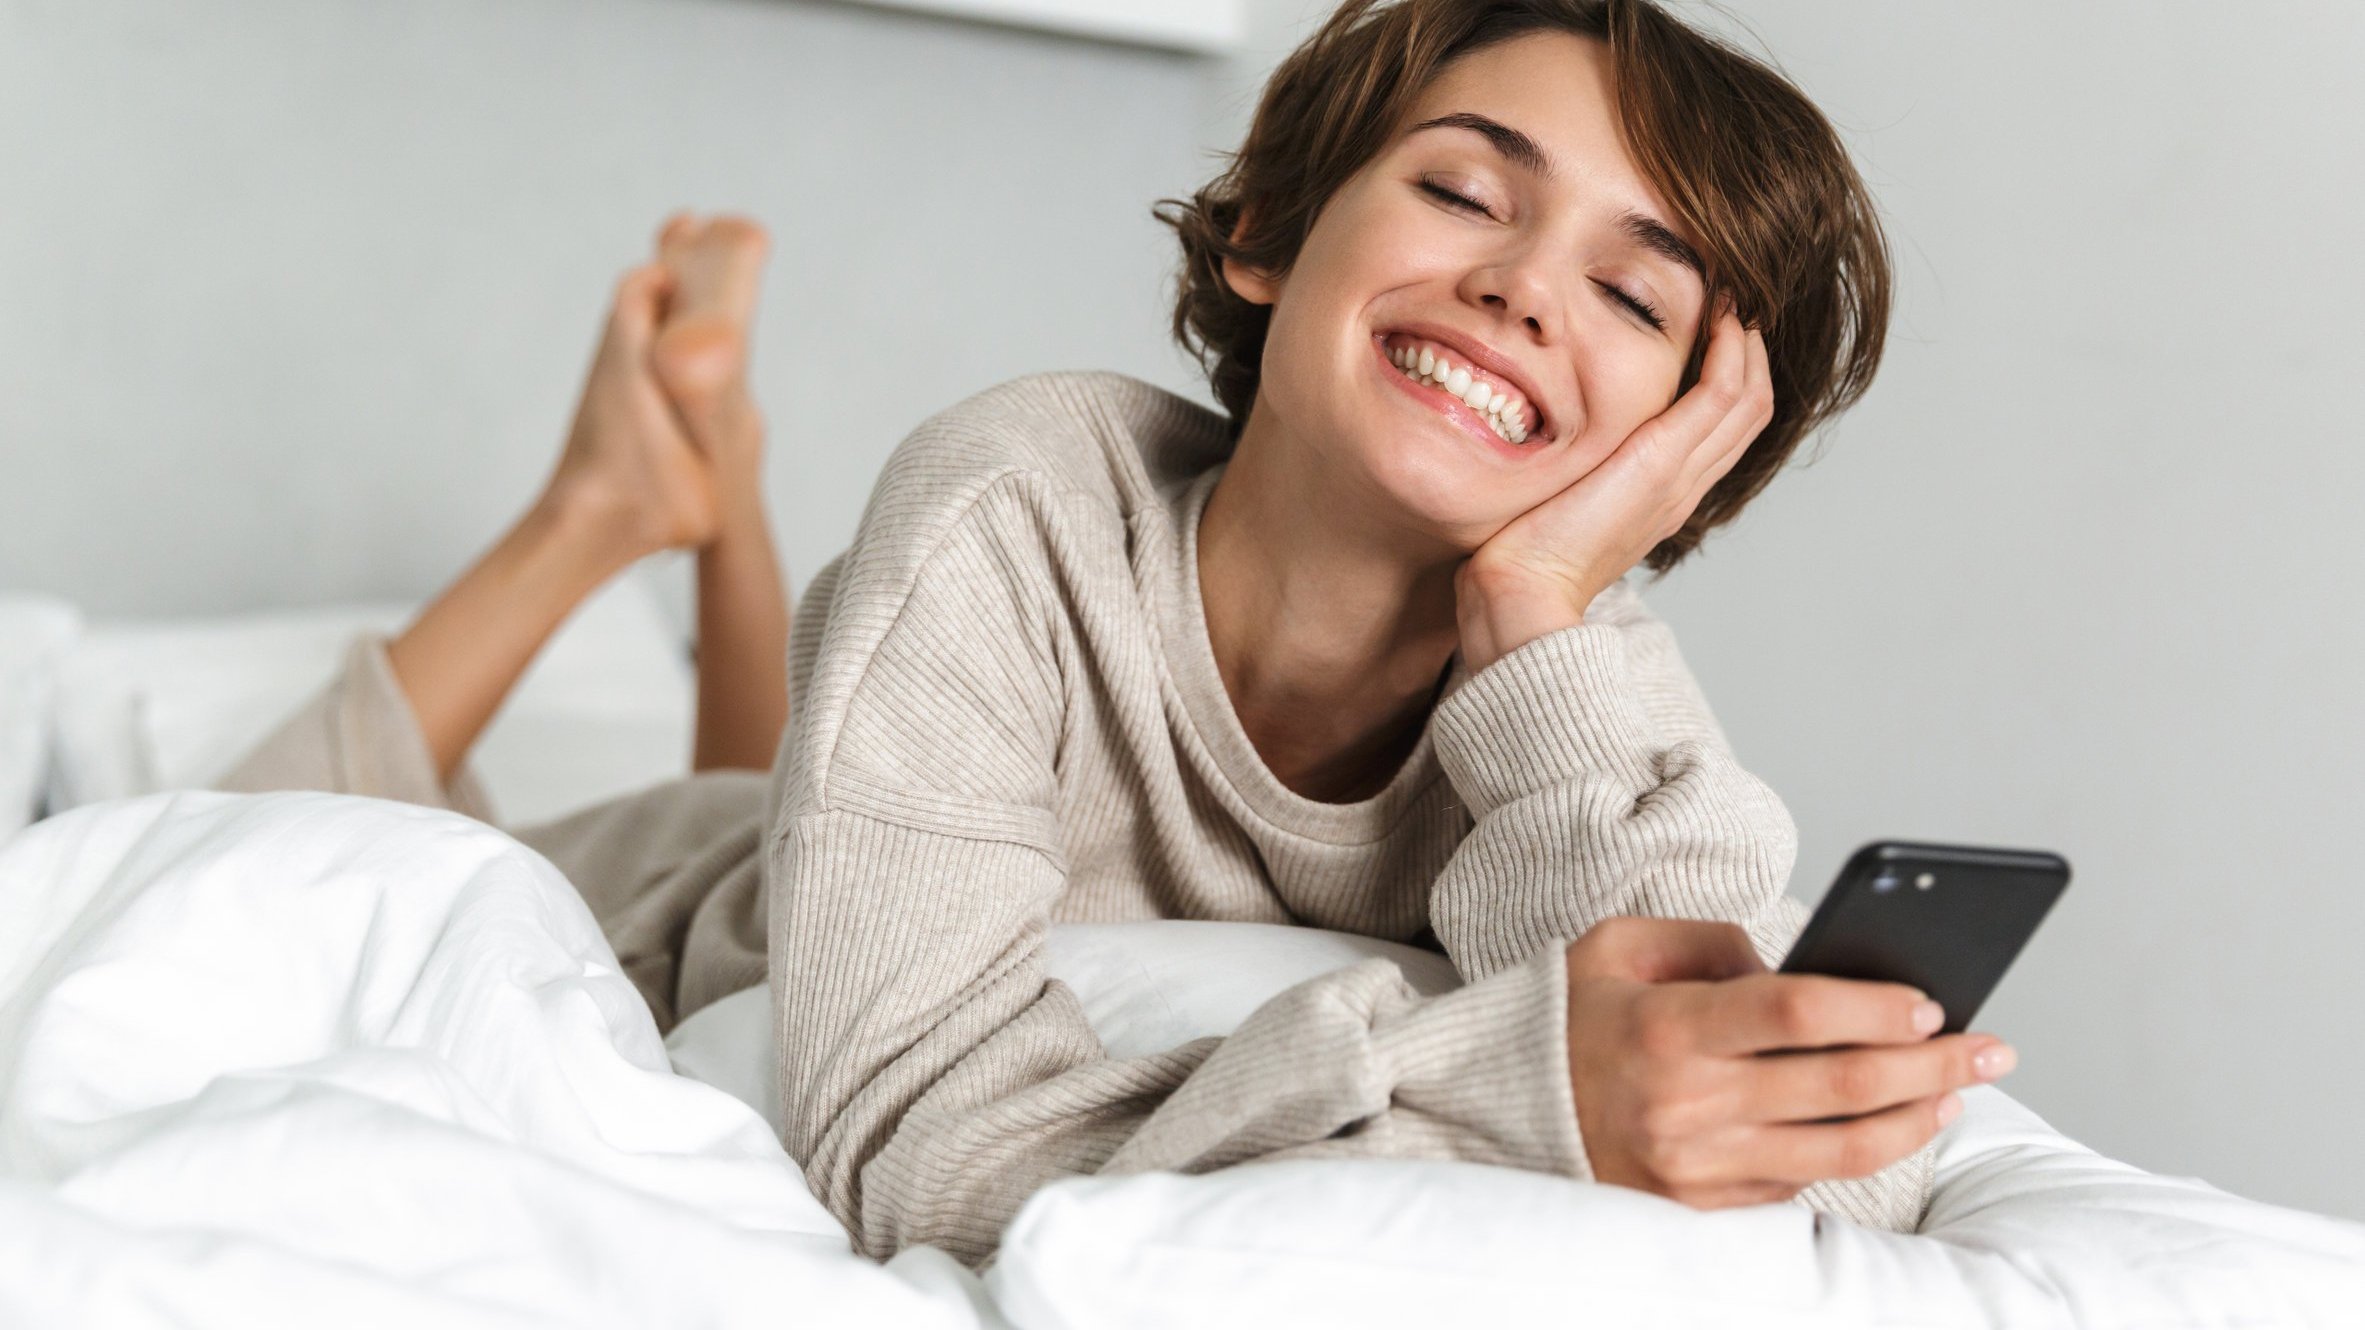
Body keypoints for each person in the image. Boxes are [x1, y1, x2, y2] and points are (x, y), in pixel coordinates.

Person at [222, 0, 2022, 1271]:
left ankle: (710, 499)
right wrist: (1516, 1085)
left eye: (1633, 295)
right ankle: (607, 511)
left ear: (1684, 446)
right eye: (1464, 191)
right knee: (269, 859)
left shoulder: (1588, 695)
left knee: (776, 777)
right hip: (665, 907)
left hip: (834, 812)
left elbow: (1815, 1178)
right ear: (1262, 233)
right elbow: (912, 1149)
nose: (1522, 286)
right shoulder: (1019, 497)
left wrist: (1536, 618)